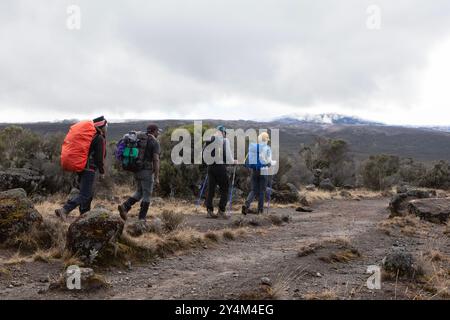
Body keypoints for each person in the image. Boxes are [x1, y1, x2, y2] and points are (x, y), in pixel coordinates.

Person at [55, 116, 107, 220]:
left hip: (82, 167)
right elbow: (99, 158)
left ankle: (84, 216)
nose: (106, 128)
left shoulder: (90, 137)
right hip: (90, 169)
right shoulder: (99, 138)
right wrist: (102, 171)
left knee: (87, 193)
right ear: (102, 126)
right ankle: (65, 209)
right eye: (105, 126)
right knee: (85, 195)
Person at [118, 123, 161, 221]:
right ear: (154, 131)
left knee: (139, 191)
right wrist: (157, 176)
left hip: (137, 169)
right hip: (147, 171)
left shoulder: (140, 139)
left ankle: (125, 206)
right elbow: (156, 160)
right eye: (157, 131)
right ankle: (142, 218)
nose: (158, 133)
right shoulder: (154, 142)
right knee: (147, 194)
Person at [205, 125, 235, 219]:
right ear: (223, 132)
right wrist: (234, 161)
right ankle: (221, 211)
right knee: (225, 188)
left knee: (211, 189)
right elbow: (229, 157)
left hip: (210, 166)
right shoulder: (224, 141)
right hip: (219, 166)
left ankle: (209, 211)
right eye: (225, 133)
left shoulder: (209, 139)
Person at [242, 132, 275, 215]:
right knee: (262, 191)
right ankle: (260, 211)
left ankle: (246, 205)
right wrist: (272, 163)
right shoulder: (267, 148)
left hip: (254, 171)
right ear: (266, 140)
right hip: (263, 171)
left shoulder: (253, 147)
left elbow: (246, 160)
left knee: (253, 190)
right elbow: (269, 162)